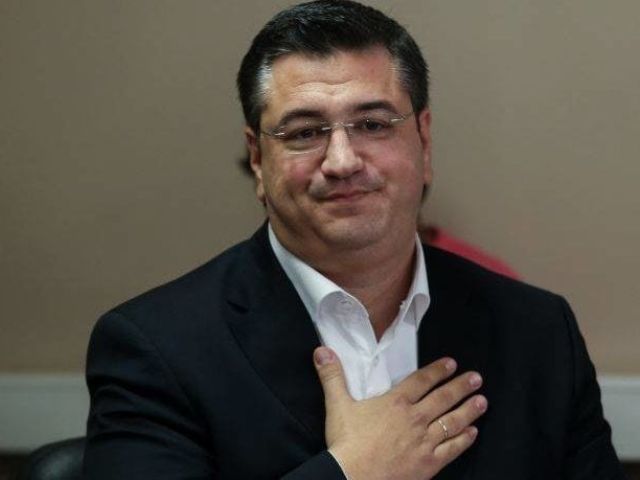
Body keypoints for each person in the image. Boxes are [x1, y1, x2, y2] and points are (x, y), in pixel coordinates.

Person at [83, 1, 625, 478]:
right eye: (304, 132)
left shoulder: (537, 331)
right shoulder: (157, 347)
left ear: (424, 141)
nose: (342, 161)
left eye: (372, 124)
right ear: (257, 158)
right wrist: (352, 473)